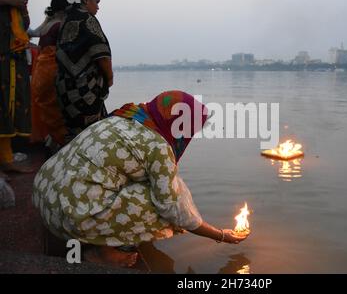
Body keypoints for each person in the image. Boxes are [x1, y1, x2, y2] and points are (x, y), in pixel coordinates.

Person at [32, 91, 248, 268]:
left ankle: (102, 236)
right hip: (68, 218)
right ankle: (103, 254)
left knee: (156, 183)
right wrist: (220, 235)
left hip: (46, 197)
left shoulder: (125, 116)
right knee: (169, 201)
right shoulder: (158, 146)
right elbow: (175, 210)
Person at [55, 0, 113, 143]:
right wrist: (109, 78)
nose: (98, 7)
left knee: (74, 134)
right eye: (97, 2)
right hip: (85, 90)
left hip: (64, 90)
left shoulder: (65, 20)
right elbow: (102, 55)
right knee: (92, 136)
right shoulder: (88, 20)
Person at [0, 0, 32, 180]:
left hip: (13, 54)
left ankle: (6, 159)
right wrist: (5, 0)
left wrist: (20, 7)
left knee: (9, 108)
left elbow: (25, 24)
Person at [28, 0, 68, 149]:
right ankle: (59, 143)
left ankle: (49, 140)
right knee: (56, 112)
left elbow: (32, 34)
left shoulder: (47, 25)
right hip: (52, 72)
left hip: (40, 72)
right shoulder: (60, 26)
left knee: (45, 110)